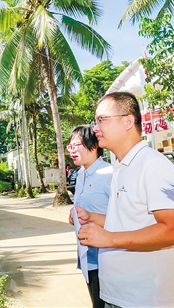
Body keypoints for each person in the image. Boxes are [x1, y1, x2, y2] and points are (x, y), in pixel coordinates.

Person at [76, 92, 174, 308]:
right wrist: (93, 218)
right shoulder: (121, 167)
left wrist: (109, 239)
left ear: (128, 121)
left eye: (102, 120)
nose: (95, 128)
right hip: (116, 295)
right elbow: (128, 221)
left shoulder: (153, 165)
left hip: (142, 300)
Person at [67, 125, 113, 308]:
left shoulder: (109, 174)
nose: (72, 151)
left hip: (107, 257)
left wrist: (91, 216)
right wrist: (74, 214)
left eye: (76, 145)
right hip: (87, 255)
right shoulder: (81, 174)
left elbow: (124, 217)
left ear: (93, 146)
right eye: (70, 146)